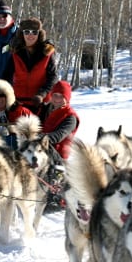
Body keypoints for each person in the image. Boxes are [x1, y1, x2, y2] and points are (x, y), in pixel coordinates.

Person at [37, 80, 80, 212]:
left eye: (61, 96)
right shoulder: (46, 109)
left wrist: (39, 138)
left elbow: (59, 135)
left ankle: (56, 198)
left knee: (54, 173)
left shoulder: (70, 117)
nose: (57, 99)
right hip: (43, 148)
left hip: (58, 154)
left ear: (67, 98)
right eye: (55, 95)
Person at [2, 17, 58, 113]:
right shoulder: (15, 52)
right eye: (27, 32)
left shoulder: (47, 53)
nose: (30, 35)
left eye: (34, 32)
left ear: (39, 34)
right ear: (22, 34)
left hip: (41, 103)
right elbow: (6, 76)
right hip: (18, 102)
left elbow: (53, 77)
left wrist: (41, 94)